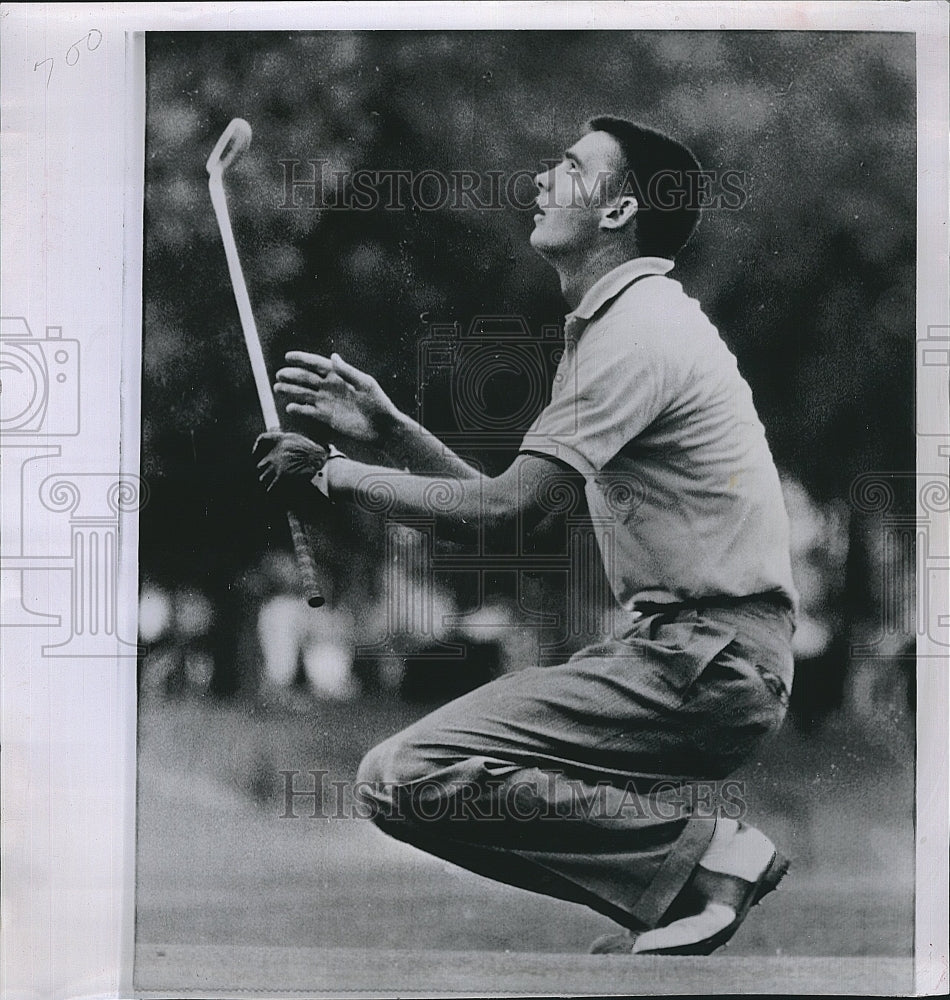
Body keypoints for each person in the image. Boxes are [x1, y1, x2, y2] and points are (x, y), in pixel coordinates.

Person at [254, 116, 798, 955]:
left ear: (618, 213)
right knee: (416, 780)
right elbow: (524, 521)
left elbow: (507, 512)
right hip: (698, 661)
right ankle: (684, 889)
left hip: (706, 664)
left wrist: (330, 474)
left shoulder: (636, 333)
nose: (542, 179)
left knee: (405, 775)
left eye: (570, 167)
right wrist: (388, 432)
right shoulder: (627, 323)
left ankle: (709, 859)